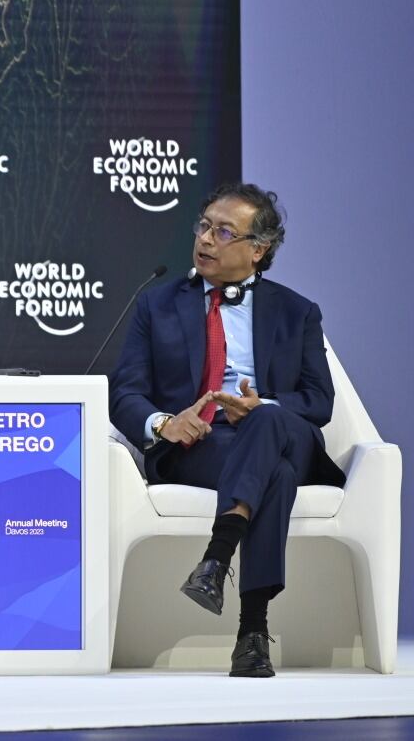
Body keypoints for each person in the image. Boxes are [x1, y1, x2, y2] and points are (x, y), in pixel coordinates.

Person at [110, 183, 345, 677]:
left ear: (257, 250)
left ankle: (218, 557)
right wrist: (166, 423)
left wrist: (263, 406)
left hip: (285, 433)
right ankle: (252, 632)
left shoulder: (297, 311)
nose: (206, 240)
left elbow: (318, 401)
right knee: (274, 476)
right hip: (203, 445)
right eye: (203, 226)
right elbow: (125, 392)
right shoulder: (157, 305)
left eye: (223, 232)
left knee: (270, 420)